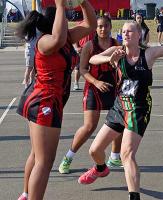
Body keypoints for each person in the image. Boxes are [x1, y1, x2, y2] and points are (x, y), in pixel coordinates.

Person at [78, 7, 163, 200]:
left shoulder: (148, 55)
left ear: (139, 35)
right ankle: (101, 169)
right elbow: (93, 59)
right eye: (123, 32)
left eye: (130, 31)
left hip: (138, 109)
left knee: (127, 154)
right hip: (119, 107)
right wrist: (107, 57)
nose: (125, 33)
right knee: (94, 150)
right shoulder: (117, 52)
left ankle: (134, 196)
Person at [16, 0, 97, 199]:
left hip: (47, 101)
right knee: (44, 162)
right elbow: (58, 39)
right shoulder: (45, 41)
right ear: (56, 23)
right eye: (64, 20)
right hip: (45, 102)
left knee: (37, 156)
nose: (68, 23)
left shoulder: (66, 38)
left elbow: (91, 25)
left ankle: (26, 194)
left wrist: (83, 2)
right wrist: (61, 5)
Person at [59, 15, 123, 175]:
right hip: (94, 86)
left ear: (110, 27)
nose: (103, 29)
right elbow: (83, 70)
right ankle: (68, 157)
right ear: (96, 28)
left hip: (113, 86)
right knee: (89, 127)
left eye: (106, 26)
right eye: (100, 26)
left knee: (119, 124)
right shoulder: (89, 45)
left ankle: (115, 157)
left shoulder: (117, 45)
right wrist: (96, 82)